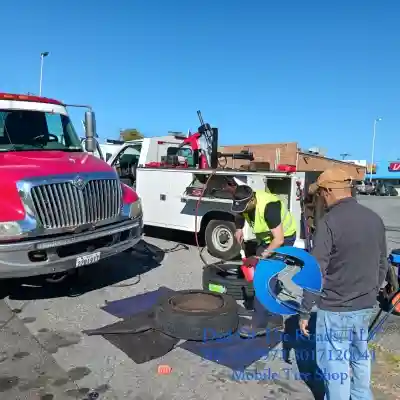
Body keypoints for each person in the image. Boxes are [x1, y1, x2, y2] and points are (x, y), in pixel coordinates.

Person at [299, 168, 389, 400]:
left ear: (329, 191)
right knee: (359, 357)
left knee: (335, 365)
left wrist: (304, 310)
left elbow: (315, 271)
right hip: (365, 305)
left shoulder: (330, 222)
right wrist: (372, 291)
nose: (320, 198)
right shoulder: (374, 219)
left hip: (335, 308)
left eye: (320, 194)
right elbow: (382, 262)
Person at [231, 185, 297, 338]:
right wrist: (239, 228)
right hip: (267, 239)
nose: (241, 209)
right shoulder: (244, 204)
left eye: (244, 206)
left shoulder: (269, 207)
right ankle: (274, 317)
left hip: (284, 239)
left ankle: (259, 325)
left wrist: (263, 256)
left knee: (265, 277)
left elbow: (279, 239)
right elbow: (240, 213)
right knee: (262, 275)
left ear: (252, 199)